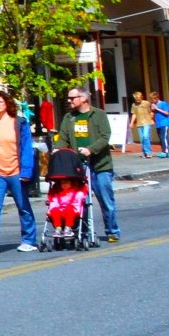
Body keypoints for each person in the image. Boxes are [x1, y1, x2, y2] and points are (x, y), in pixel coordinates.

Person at [0, 90, 38, 255]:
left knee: (23, 206)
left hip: (16, 171)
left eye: (0, 102)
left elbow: (27, 148)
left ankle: (29, 240)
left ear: (7, 104)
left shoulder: (19, 123)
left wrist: (26, 171)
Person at [55, 84, 118, 242]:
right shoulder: (69, 117)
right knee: (80, 201)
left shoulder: (98, 114)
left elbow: (105, 136)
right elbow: (63, 137)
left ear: (83, 98)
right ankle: (82, 232)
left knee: (106, 200)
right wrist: (58, 149)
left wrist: (91, 149)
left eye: (72, 98)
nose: (69, 101)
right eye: (68, 98)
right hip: (79, 166)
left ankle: (112, 231)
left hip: (100, 165)